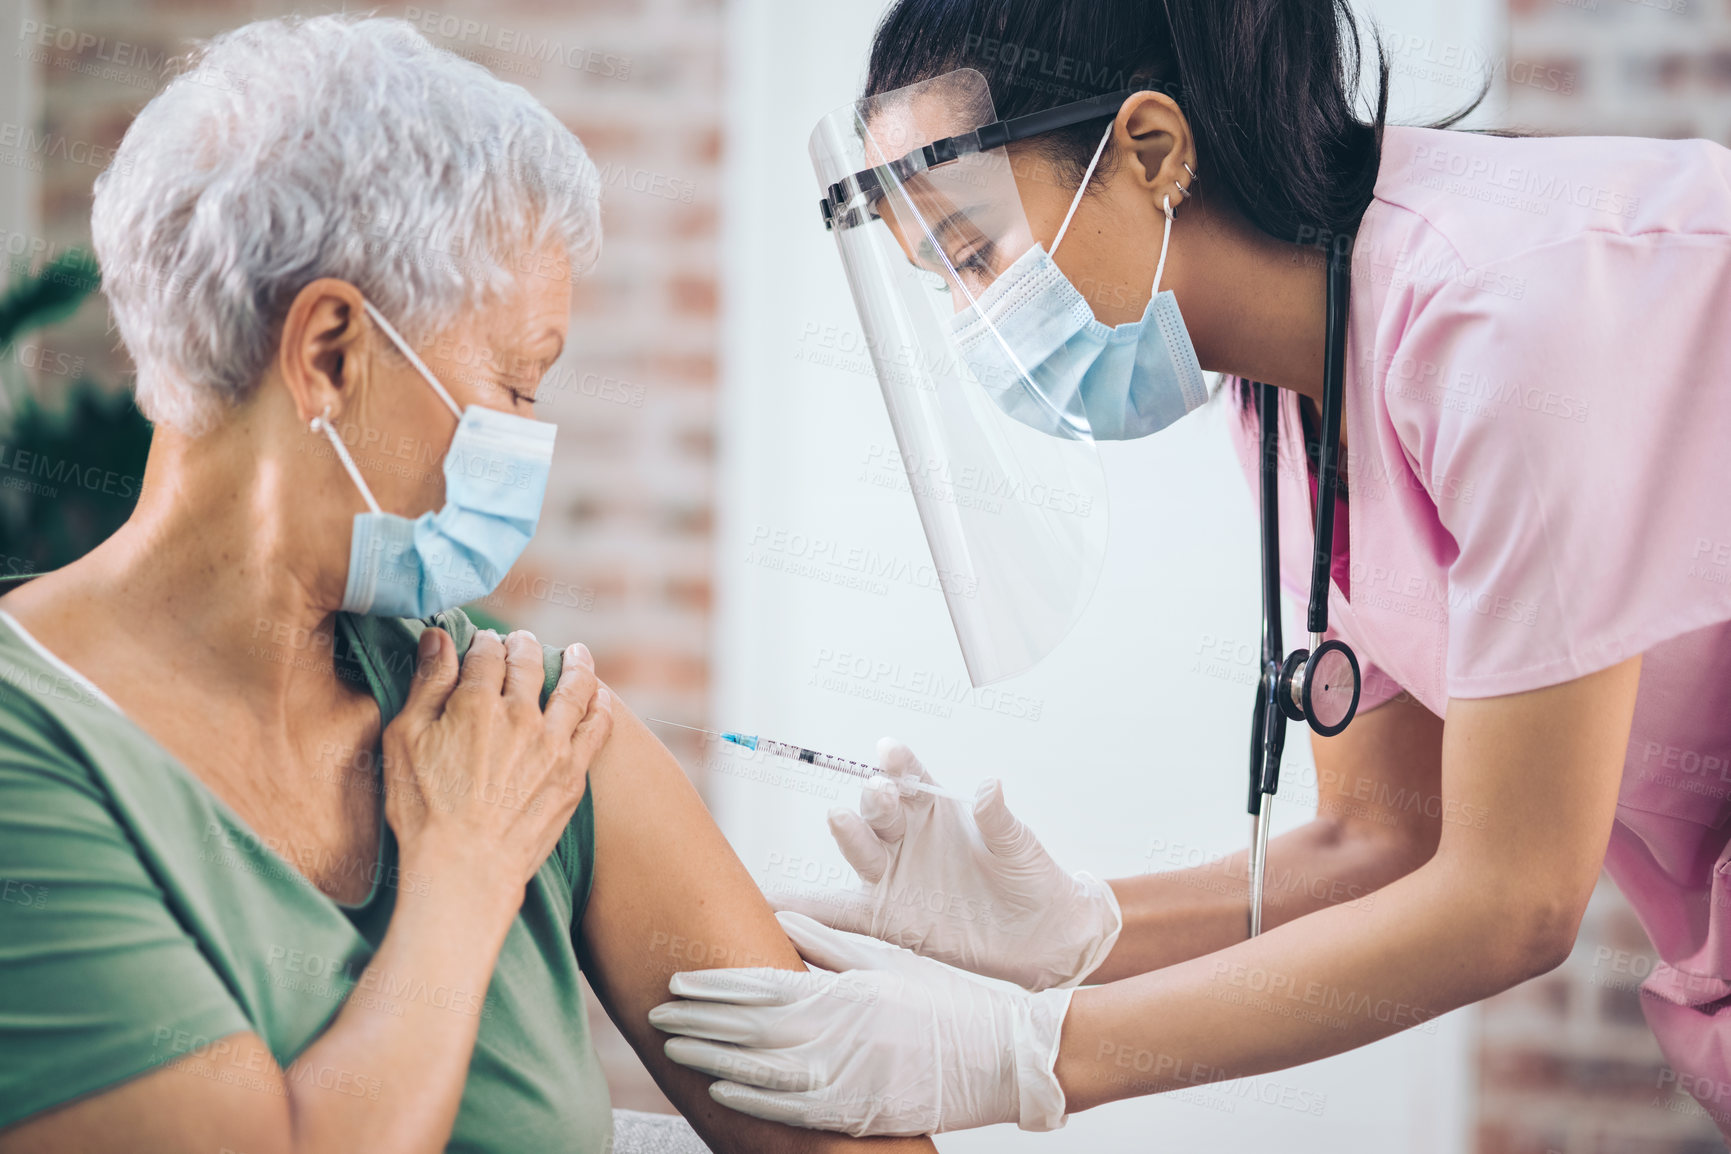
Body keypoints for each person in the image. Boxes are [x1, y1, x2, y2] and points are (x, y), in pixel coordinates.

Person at [648, 0, 1731, 1140]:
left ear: (1151, 149)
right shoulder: (1285, 398)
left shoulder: (1506, 319)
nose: (977, 321)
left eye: (975, 252)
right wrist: (1078, 932)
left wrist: (1035, 1049)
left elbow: (1514, 899)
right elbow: (1387, 836)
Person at [0, 15, 940, 1154]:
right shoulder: (28, 744)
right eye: (516, 379)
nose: (532, 437)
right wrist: (462, 872)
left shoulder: (504, 712)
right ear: (331, 352)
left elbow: (833, 1131)